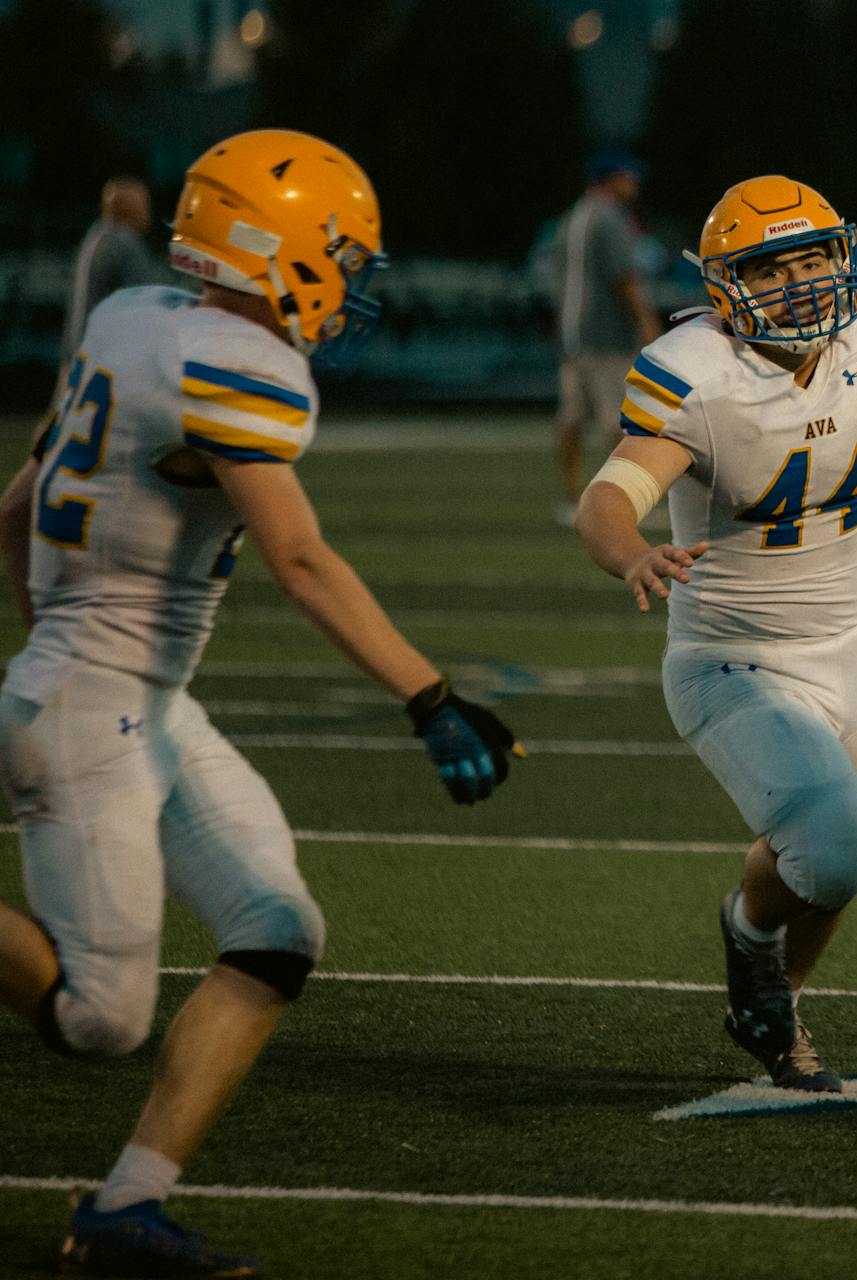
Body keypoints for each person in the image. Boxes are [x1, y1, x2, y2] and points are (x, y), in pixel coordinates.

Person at [0, 129, 523, 1276]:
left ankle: (126, 1203)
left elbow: (17, 501)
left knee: (278, 929)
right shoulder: (239, 366)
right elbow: (300, 561)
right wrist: (429, 696)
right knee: (100, 1018)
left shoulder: (131, 318)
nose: (351, 279)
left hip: (124, 694)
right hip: (100, 702)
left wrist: (47, 646)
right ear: (278, 248)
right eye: (341, 253)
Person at [574, 176, 857, 1093]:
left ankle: (774, 1004)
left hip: (846, 646)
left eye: (812, 257)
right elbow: (609, 496)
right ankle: (750, 935)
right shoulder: (700, 374)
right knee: (830, 842)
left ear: (844, 255)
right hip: (730, 658)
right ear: (723, 286)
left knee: (840, 859)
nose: (798, 280)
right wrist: (629, 552)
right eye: (769, 266)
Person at [552, 151, 663, 527]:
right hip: (606, 336)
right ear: (611, 178)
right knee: (620, 421)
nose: (634, 184)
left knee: (571, 420)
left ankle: (571, 501)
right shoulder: (611, 218)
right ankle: (627, 502)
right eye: (628, 177)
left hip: (573, 336)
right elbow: (623, 277)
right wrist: (646, 321)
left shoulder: (571, 218)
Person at [49, 176, 158, 418]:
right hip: (105, 361)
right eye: (143, 204)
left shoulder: (94, 237)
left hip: (75, 352)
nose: (148, 212)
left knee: (56, 431)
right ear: (129, 208)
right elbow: (142, 306)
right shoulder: (126, 244)